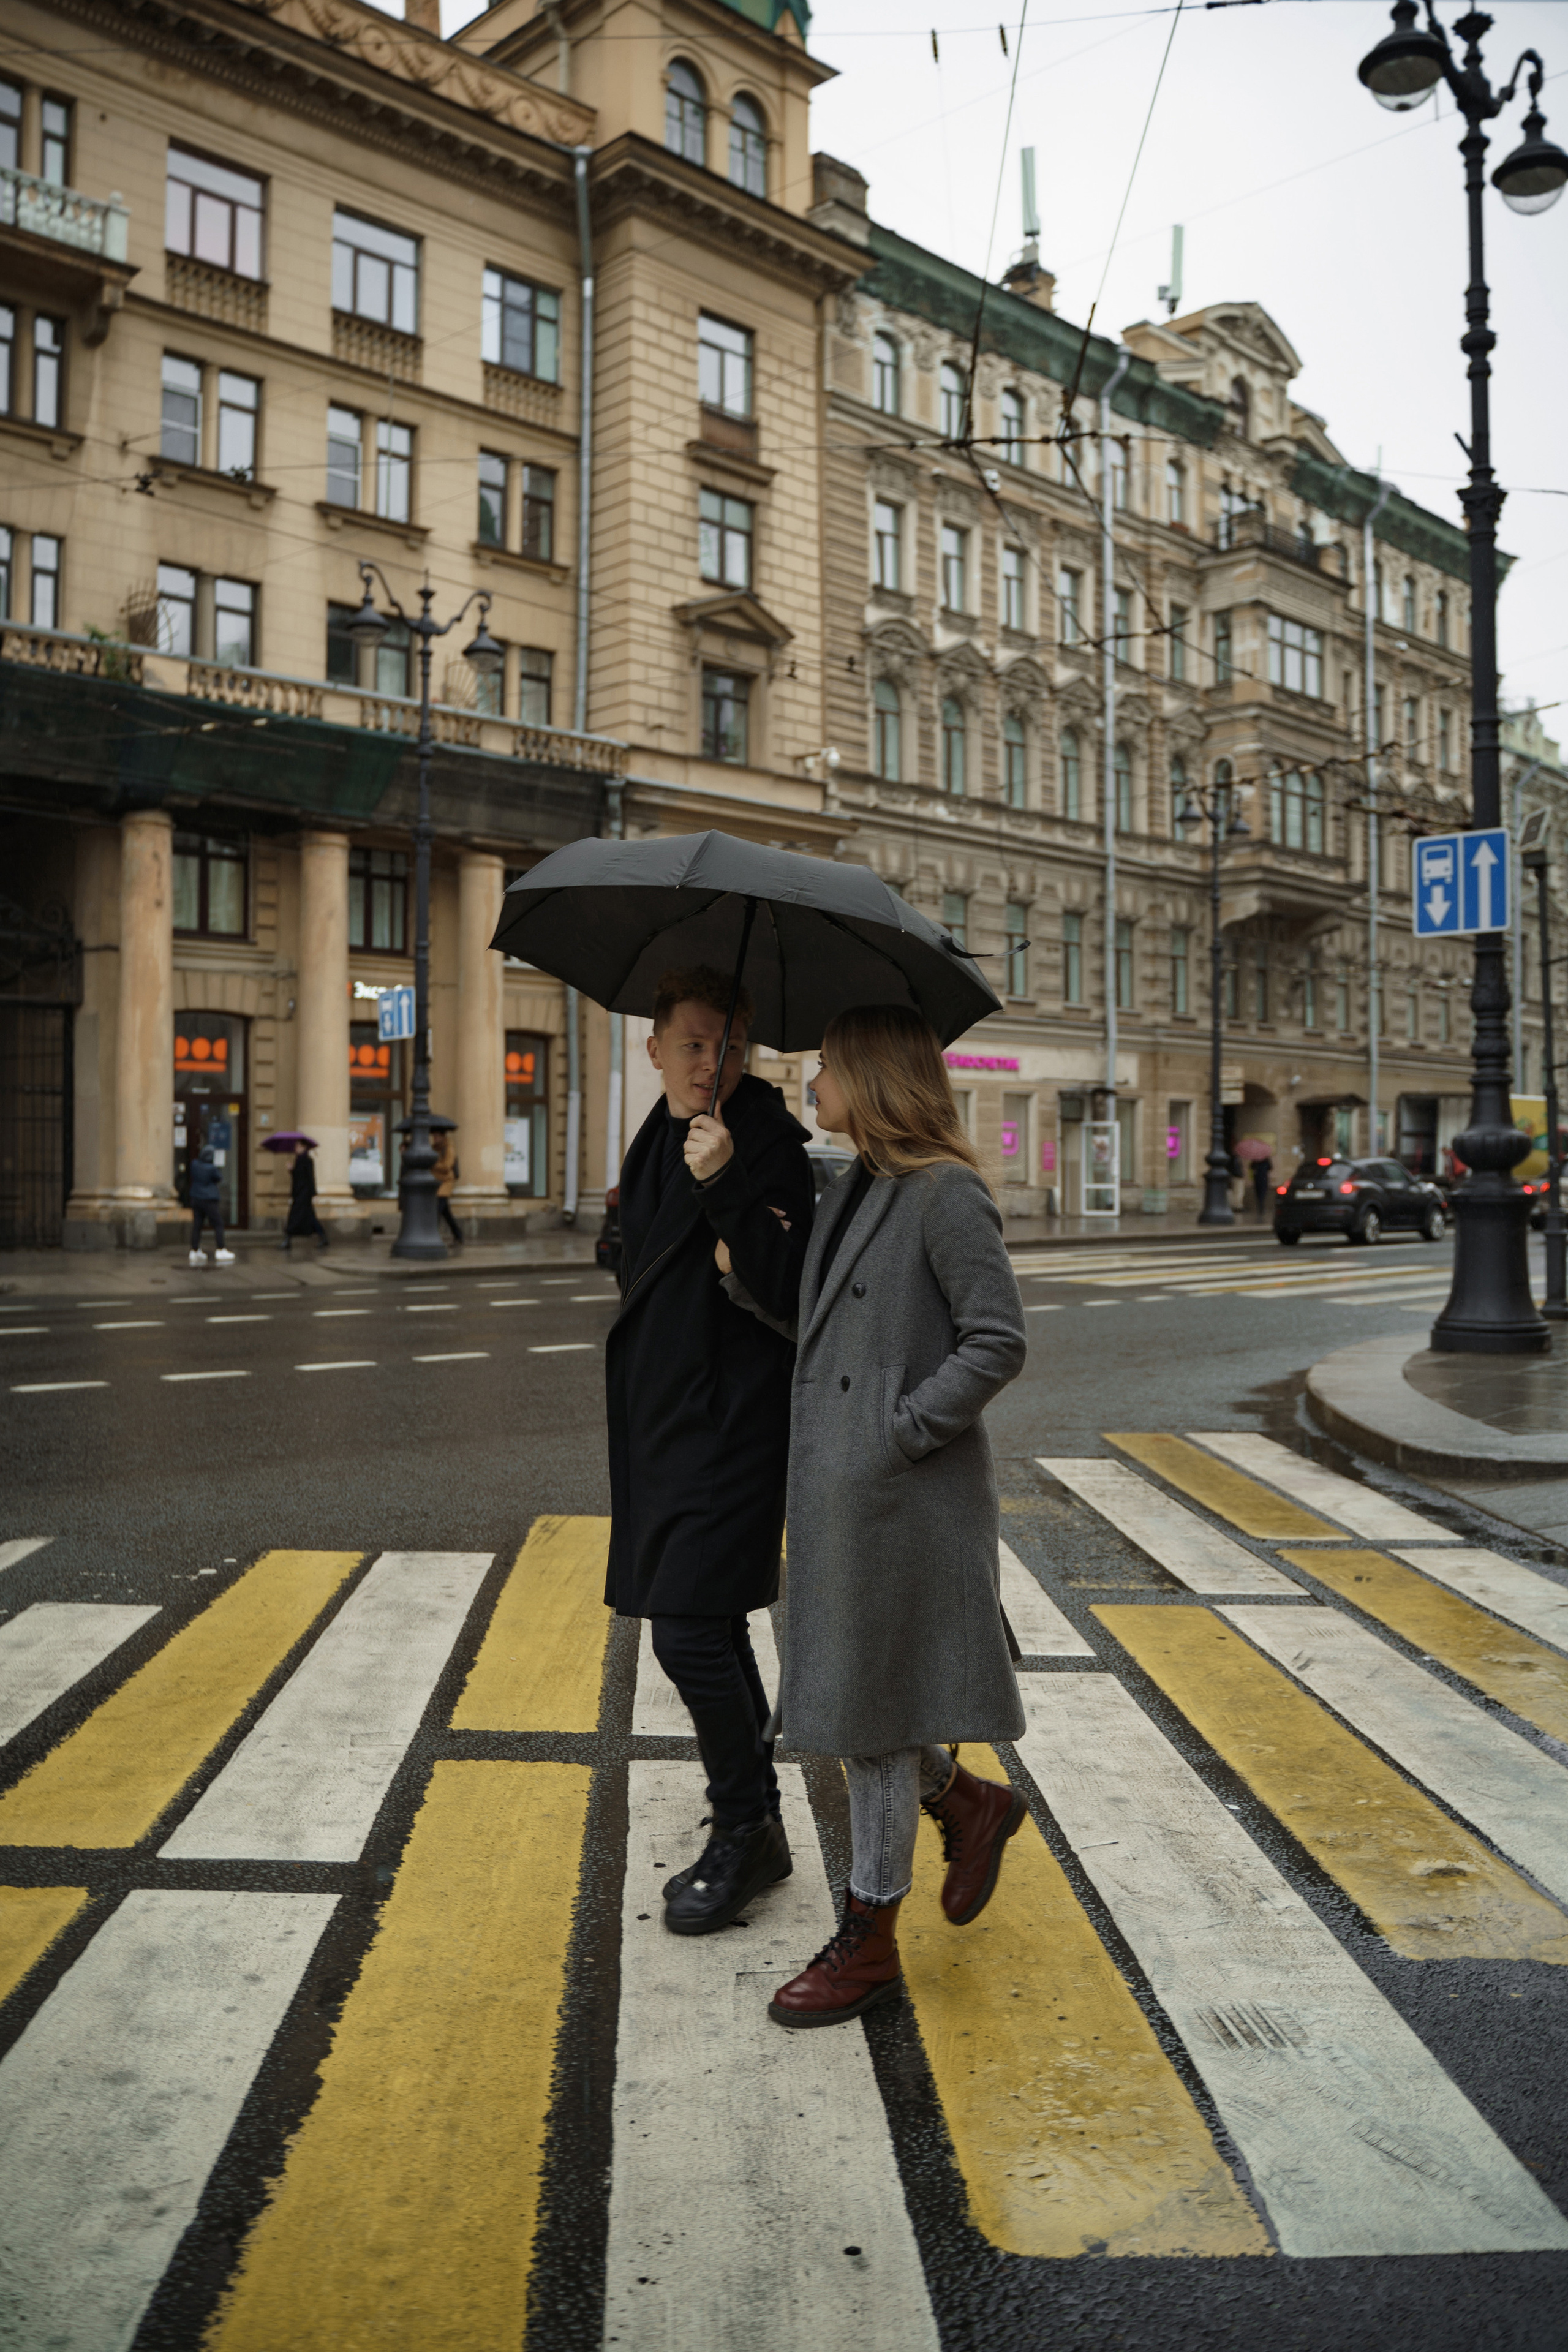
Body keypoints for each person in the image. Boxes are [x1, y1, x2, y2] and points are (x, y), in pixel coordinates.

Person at [753, 1004, 1028, 2029]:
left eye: (821, 1066)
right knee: (863, 1696)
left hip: (902, 1498)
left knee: (867, 1714)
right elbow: (832, 1326)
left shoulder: (946, 1193)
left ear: (869, 1079)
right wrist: (746, 1275)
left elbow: (997, 1341)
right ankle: (969, 1803)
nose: (810, 1085)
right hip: (842, 1497)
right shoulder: (857, 1187)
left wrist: (899, 1431)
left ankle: (869, 1937)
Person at [606, 965, 815, 1937]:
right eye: (691, 1043)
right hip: (667, 1423)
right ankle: (754, 1817)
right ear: (654, 1050)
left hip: (729, 1423)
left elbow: (787, 1286)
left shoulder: (764, 1142)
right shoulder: (657, 1134)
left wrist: (726, 1183)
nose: (709, 1061)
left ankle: (746, 1828)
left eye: (727, 1044)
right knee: (712, 1624)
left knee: (687, 1629)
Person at [188, 1145, 235, 1266]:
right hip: (209, 1199)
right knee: (218, 1224)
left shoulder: (195, 1164)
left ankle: (194, 1251)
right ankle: (221, 1249)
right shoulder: (212, 1168)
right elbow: (219, 1178)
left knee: (197, 1225)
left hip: (196, 1198)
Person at [281, 1143, 328, 1253]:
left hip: (304, 1194)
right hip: (299, 1193)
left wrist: (313, 1193)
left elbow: (310, 1178)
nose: (296, 1148)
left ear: (304, 1148)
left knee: (294, 1216)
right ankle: (323, 1237)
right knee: (310, 1218)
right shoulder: (298, 1159)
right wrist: (291, 1170)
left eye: (298, 1146)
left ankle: (288, 1240)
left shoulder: (308, 1160)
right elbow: (298, 1177)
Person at [433, 1128, 463, 1245]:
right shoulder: (435, 1149)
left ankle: (432, 1235)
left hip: (446, 1182)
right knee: (446, 1213)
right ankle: (458, 1235)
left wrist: (434, 1163)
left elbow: (447, 1166)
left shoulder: (449, 1148)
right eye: (434, 1136)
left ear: (442, 1136)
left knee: (438, 1210)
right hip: (436, 1182)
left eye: (436, 1136)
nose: (434, 1138)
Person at [1251, 1152, 1273, 1218]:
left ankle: (1260, 1206)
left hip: (1258, 1178)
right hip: (1263, 1179)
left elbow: (1251, 1167)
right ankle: (1261, 1206)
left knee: (1259, 1193)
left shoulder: (1255, 1160)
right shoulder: (1266, 1160)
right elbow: (1270, 1168)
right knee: (1262, 1193)